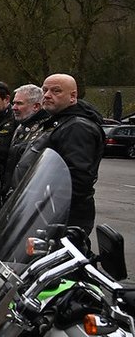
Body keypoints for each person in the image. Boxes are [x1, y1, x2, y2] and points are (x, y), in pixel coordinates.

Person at [12, 74, 104, 233]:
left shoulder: (77, 127)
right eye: (45, 90)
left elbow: (77, 180)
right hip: (44, 213)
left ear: (73, 96)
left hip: (61, 219)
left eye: (56, 91)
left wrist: (46, 207)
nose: (47, 95)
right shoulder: (59, 122)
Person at [2, 84, 47, 193]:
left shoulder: (45, 130)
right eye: (13, 103)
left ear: (36, 106)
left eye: (19, 103)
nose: (14, 107)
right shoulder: (21, 126)